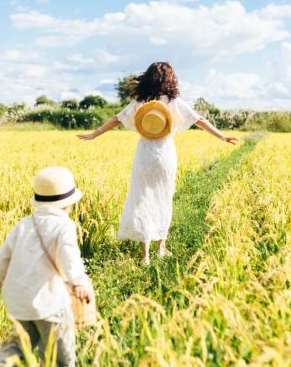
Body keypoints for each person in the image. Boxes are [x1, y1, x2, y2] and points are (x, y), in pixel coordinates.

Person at [78, 61, 237, 264]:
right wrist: (222, 137)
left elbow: (117, 118)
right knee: (164, 197)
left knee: (142, 198)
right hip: (165, 154)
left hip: (144, 154)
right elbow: (199, 120)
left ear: (149, 77)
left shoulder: (140, 101)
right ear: (170, 79)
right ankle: (161, 248)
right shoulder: (173, 101)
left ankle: (145, 255)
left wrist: (94, 134)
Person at [0, 166, 92, 367]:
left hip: (18, 300)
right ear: (68, 204)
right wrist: (78, 282)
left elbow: (4, 254)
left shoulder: (23, 224)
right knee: (58, 343)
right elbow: (69, 256)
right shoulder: (64, 226)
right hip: (49, 301)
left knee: (21, 338)